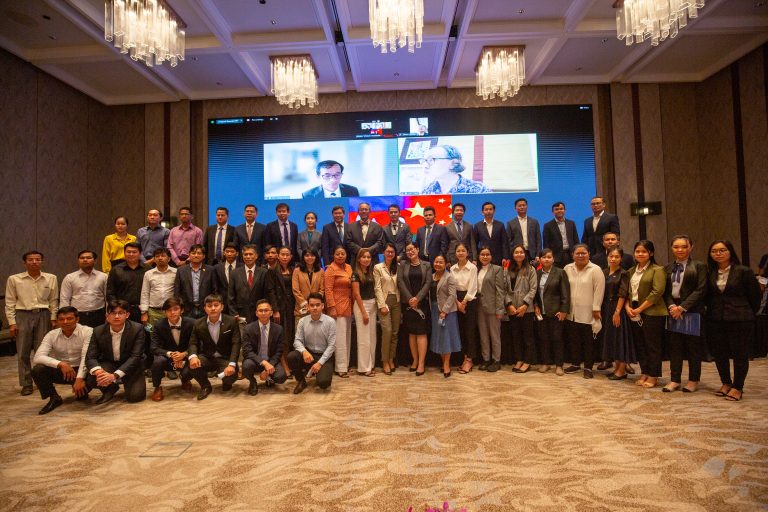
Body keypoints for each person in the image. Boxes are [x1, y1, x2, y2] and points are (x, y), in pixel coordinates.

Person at [705, 240, 761, 402]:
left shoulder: (743, 271)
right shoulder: (710, 272)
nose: (718, 253)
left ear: (730, 252)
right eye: (714, 251)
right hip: (716, 318)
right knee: (719, 353)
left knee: (740, 354)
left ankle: (738, 387)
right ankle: (726, 382)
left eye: (722, 250)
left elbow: (755, 297)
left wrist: (746, 312)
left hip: (740, 319)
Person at [663, 235, 708, 393]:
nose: (680, 250)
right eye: (676, 247)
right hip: (673, 310)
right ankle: (675, 379)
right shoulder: (668, 267)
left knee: (693, 348)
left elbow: (701, 289)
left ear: (691, 247)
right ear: (672, 248)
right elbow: (665, 291)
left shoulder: (699, 266)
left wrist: (682, 307)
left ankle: (693, 380)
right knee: (675, 347)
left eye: (684, 246)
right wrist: (672, 306)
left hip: (692, 311)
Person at [31, 307, 91, 414]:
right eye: (61, 319)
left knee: (95, 374)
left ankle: (88, 390)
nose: (65, 322)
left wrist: (79, 379)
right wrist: (60, 364)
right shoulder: (51, 335)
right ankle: (54, 397)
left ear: (77, 319)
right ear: (57, 321)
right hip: (65, 371)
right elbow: (38, 357)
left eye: (69, 318)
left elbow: (86, 357)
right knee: (38, 369)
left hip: (83, 369)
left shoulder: (87, 331)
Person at [85, 299, 147, 404]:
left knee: (135, 397)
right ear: (107, 316)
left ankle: (127, 382)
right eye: (113, 313)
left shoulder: (137, 329)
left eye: (121, 313)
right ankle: (111, 388)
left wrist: (114, 376)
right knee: (92, 378)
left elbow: (136, 357)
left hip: (132, 365)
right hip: (110, 363)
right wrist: (99, 372)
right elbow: (90, 357)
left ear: (127, 315)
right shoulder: (98, 331)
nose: (117, 316)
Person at [625, 240, 668, 389]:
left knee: (652, 345)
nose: (640, 254)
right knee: (640, 344)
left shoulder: (658, 270)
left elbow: (657, 292)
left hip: (652, 312)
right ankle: (644, 372)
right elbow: (627, 292)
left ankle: (653, 375)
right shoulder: (631, 271)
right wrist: (628, 307)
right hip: (634, 311)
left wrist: (640, 309)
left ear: (651, 253)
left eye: (644, 251)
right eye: (637, 251)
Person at [187, 294, 241, 400]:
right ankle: (206, 386)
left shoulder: (231, 321)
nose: (213, 308)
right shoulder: (198, 323)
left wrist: (232, 364)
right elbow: (193, 343)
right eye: (209, 306)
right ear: (204, 308)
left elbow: (236, 343)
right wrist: (193, 356)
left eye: (216, 305)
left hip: (225, 357)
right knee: (192, 365)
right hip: (208, 357)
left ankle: (226, 382)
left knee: (230, 377)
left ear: (222, 307)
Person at [563, 244, 605, 378]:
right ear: (572, 255)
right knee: (574, 340)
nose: (580, 256)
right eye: (578, 253)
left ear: (589, 254)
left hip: (589, 312)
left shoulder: (596, 269)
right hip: (571, 312)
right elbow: (563, 289)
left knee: (589, 341)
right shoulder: (567, 268)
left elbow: (599, 290)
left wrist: (596, 308)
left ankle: (588, 367)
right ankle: (575, 364)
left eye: (583, 253)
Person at [148, 297, 197, 401]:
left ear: (181, 310)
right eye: (169, 310)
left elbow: (198, 344)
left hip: (186, 357)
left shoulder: (192, 323)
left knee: (196, 361)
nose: (172, 312)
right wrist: (171, 354)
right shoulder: (158, 325)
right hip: (168, 358)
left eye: (175, 309)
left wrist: (184, 354)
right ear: (165, 312)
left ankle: (185, 379)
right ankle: (157, 387)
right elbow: (153, 348)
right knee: (158, 361)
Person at [288, 293, 336, 394]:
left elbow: (332, 346)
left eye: (317, 305)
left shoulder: (330, 322)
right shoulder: (302, 321)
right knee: (292, 356)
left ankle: (319, 373)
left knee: (324, 383)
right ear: (308, 307)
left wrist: (319, 363)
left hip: (324, 356)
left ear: (322, 306)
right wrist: (304, 351)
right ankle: (301, 381)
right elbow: (297, 341)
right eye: (312, 305)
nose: (315, 308)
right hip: (308, 355)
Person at [600, 248, 635, 381]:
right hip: (606, 308)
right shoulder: (604, 272)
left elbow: (623, 293)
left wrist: (617, 312)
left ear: (621, 258)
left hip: (617, 308)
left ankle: (621, 370)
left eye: (616, 257)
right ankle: (616, 368)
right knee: (612, 338)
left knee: (620, 338)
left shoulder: (624, 273)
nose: (613, 259)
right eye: (611, 256)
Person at [534, 249, 570, 375]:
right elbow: (534, 293)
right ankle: (546, 363)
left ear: (553, 259)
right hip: (541, 313)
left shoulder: (560, 272)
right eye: (544, 257)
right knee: (543, 338)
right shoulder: (537, 273)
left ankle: (559, 365)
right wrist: (535, 305)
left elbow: (565, 294)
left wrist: (564, 310)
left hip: (556, 312)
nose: (546, 259)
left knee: (557, 339)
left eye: (549, 257)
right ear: (540, 259)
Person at [398, 242, 432, 375]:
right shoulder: (403, 265)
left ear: (418, 249)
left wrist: (417, 298)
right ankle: (415, 360)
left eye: (412, 249)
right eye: (407, 250)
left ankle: (421, 363)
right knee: (412, 333)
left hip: (422, 304)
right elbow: (400, 282)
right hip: (408, 304)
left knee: (421, 333)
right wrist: (410, 299)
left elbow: (428, 283)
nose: (410, 252)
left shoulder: (427, 265)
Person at [242, 299, 288, 395]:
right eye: (260, 310)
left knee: (281, 377)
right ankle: (253, 382)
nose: (263, 313)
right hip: (255, 360)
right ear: (256, 313)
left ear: (271, 313)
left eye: (266, 310)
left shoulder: (278, 329)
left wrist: (268, 368)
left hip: (271, 360)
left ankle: (269, 378)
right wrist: (264, 363)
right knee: (246, 366)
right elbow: (247, 351)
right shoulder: (248, 328)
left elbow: (279, 351)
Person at [505, 244, 538, 373]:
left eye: (521, 252)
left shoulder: (531, 269)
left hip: (526, 309)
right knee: (516, 336)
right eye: (516, 252)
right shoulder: (507, 270)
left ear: (525, 254)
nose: (519, 254)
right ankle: (519, 359)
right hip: (512, 309)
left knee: (528, 337)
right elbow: (504, 289)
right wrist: (509, 305)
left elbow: (533, 289)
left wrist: (525, 305)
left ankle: (528, 361)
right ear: (512, 255)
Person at [429, 254, 461, 377]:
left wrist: (444, 311)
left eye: (440, 262)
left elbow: (452, 295)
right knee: (440, 337)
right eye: (436, 262)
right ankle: (443, 362)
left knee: (446, 338)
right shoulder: (431, 276)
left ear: (446, 264)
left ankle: (447, 364)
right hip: (434, 310)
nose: (438, 264)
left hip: (447, 312)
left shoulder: (449, 277)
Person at [324, 246, 353, 378]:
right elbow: (328, 289)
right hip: (337, 306)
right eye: (337, 254)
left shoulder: (349, 268)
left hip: (348, 306)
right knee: (339, 339)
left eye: (342, 253)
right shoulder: (330, 269)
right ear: (333, 256)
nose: (340, 256)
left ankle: (345, 365)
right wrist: (331, 307)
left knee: (347, 337)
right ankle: (340, 368)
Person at [267, 246, 296, 377]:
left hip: (291, 307)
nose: (285, 257)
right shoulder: (272, 271)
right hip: (279, 308)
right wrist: (275, 310)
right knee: (282, 337)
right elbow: (271, 292)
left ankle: (291, 362)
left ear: (291, 257)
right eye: (282, 254)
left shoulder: (293, 269)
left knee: (290, 336)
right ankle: (284, 365)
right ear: (278, 256)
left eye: (287, 254)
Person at [59, 250, 107, 328]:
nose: (85, 260)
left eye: (88, 258)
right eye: (82, 258)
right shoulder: (70, 278)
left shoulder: (103, 277)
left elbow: (108, 298)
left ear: (95, 261)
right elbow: (64, 299)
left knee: (98, 335)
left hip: (99, 315)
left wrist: (109, 314)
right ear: (78, 261)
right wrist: (65, 317)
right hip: (77, 315)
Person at [476, 247, 506, 372]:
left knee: (494, 335)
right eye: (482, 254)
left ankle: (496, 360)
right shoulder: (476, 269)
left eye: (487, 254)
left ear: (491, 256)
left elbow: (500, 291)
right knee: (483, 334)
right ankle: (486, 359)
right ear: (479, 256)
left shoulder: (497, 269)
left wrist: (500, 310)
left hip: (493, 306)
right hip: (479, 306)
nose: (485, 257)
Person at [451, 243, 478, 374]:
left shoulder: (472, 267)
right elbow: (451, 288)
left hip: (469, 301)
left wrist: (464, 302)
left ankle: (469, 360)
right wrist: (457, 303)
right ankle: (464, 358)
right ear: (455, 253)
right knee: (461, 331)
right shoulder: (452, 268)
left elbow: (473, 287)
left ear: (467, 253)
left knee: (470, 331)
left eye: (463, 250)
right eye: (458, 251)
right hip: (456, 301)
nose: (461, 253)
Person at [420, 144, 491, 194]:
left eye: (431, 160)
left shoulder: (479, 190)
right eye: (424, 161)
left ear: (453, 163)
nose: (425, 166)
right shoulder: (426, 192)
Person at [374, 243, 400, 375]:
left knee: (395, 332)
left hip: (397, 301)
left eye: (392, 252)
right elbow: (377, 287)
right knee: (387, 331)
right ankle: (384, 361)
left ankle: (391, 358)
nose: (390, 253)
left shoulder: (398, 267)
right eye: (388, 251)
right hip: (384, 301)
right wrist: (382, 305)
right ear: (383, 253)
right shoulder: (378, 267)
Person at [228, 245, 271, 325]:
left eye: (251, 254)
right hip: (240, 314)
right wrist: (234, 313)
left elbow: (267, 294)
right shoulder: (234, 273)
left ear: (256, 256)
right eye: (245, 254)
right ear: (242, 256)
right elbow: (231, 296)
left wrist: (264, 311)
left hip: (259, 313)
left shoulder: (264, 272)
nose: (248, 257)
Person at [352, 249, 378, 376]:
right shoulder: (355, 274)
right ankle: (364, 368)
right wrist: (363, 312)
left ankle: (371, 365)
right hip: (361, 306)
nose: (366, 259)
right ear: (358, 259)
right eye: (364, 257)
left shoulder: (371, 272)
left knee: (372, 338)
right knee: (364, 339)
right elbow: (356, 294)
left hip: (373, 305)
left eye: (368, 257)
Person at [173, 244, 216, 319]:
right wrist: (180, 307)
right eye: (193, 253)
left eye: (199, 253)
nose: (196, 255)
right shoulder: (181, 270)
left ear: (204, 256)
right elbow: (177, 292)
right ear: (189, 255)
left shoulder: (210, 270)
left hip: (206, 308)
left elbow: (215, 290)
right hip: (186, 309)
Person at [106, 242, 145, 323]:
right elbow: (110, 292)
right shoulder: (116, 270)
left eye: (134, 252)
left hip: (142, 311)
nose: (131, 254)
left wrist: (146, 310)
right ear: (124, 253)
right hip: (122, 311)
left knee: (143, 331)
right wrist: (116, 309)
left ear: (140, 253)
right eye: (128, 252)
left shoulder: (147, 269)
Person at [139, 247, 177, 327]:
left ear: (169, 258)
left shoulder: (176, 272)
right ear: (154, 259)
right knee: (152, 333)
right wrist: (144, 312)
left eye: (163, 256)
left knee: (172, 333)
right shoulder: (148, 274)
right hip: (153, 312)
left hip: (171, 311)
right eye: (157, 256)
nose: (160, 258)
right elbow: (145, 293)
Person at [292, 248, 325, 326]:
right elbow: (295, 290)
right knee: (300, 332)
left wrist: (314, 303)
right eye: (307, 255)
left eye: (312, 255)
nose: (310, 257)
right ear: (303, 257)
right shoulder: (297, 271)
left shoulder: (321, 271)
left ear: (316, 257)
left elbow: (322, 289)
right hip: (301, 309)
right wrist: (305, 304)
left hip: (316, 308)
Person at [542, 201, 579, 268]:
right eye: (556, 209)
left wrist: (576, 253)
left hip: (570, 255)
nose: (559, 211)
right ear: (553, 212)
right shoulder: (548, 225)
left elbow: (576, 240)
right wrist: (549, 257)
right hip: (556, 257)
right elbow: (546, 244)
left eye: (561, 209)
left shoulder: (571, 223)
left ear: (564, 210)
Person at [506, 198, 542, 263]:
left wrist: (538, 255)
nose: (522, 207)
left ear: (527, 206)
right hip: (517, 254)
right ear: (515, 208)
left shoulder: (534, 222)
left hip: (532, 254)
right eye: (519, 206)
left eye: (524, 205)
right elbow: (508, 241)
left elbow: (538, 240)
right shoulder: (510, 223)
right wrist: (510, 255)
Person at [473, 202, 508, 266]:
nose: (488, 211)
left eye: (490, 209)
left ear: (494, 211)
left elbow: (504, 243)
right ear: (482, 212)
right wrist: (475, 258)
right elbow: (474, 244)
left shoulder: (500, 225)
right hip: (483, 258)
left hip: (498, 259)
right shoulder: (477, 226)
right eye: (486, 209)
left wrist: (505, 257)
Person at [213, 242, 239, 313]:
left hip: (238, 303)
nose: (229, 254)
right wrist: (218, 301)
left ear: (237, 253)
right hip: (222, 302)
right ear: (224, 253)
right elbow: (215, 287)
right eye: (227, 251)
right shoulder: (217, 268)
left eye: (232, 252)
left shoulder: (242, 267)